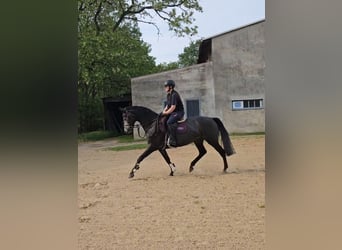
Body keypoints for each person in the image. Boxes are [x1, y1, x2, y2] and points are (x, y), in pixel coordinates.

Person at [162, 79, 185, 147]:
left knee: (169, 122)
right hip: (173, 112)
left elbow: (173, 107)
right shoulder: (169, 95)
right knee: (163, 120)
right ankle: (166, 138)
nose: (165, 88)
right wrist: (163, 111)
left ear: (171, 87)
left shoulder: (174, 94)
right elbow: (168, 105)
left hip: (178, 112)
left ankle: (173, 140)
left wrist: (166, 113)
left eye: (166, 86)